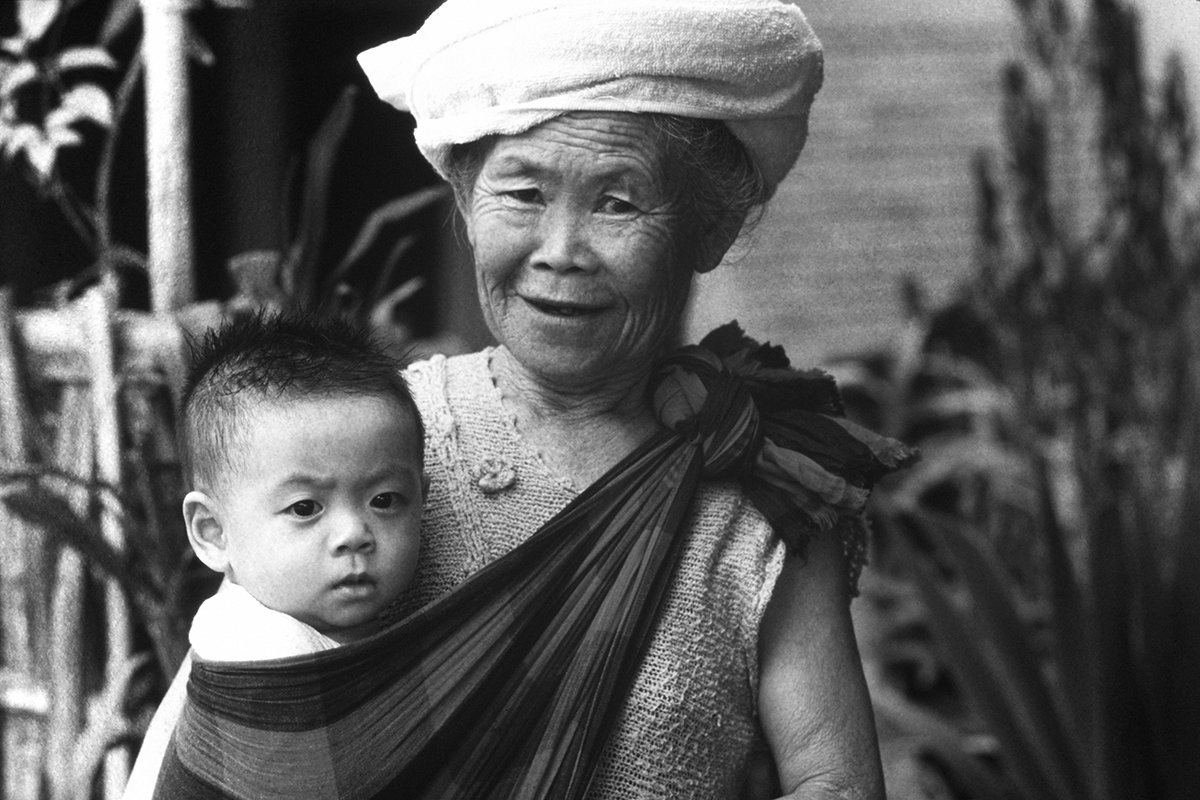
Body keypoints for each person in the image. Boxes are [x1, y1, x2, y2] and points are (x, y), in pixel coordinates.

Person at [125, 1, 904, 797]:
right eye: (523, 194)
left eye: (618, 201)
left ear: (708, 228)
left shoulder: (761, 482)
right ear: (464, 205)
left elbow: (833, 781)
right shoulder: (367, 446)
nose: (560, 252)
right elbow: (243, 712)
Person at [175, 312, 426, 661]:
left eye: (384, 500)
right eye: (305, 508)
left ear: (422, 500)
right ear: (213, 532)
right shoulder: (255, 650)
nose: (354, 534)